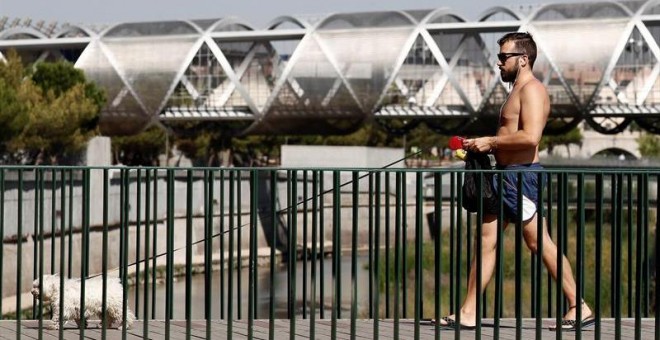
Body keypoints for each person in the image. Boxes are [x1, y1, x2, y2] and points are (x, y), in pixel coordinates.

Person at [435, 32, 594, 331]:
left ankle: (579, 305)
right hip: (507, 176)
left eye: (504, 57)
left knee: (537, 242)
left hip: (520, 177)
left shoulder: (532, 90)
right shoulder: (517, 90)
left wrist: (491, 142)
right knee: (488, 241)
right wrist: (479, 144)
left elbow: (531, 137)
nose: (499, 62)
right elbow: (511, 135)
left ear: (523, 59)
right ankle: (468, 312)